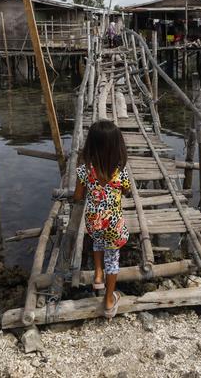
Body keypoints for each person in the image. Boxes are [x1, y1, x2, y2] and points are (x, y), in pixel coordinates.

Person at [74, 120, 130, 319]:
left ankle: (98, 274)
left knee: (98, 240)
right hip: (114, 224)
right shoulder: (120, 171)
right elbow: (127, 191)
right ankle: (108, 301)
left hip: (94, 221)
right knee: (113, 259)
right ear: (117, 146)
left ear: (91, 145)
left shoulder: (84, 170)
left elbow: (78, 197)